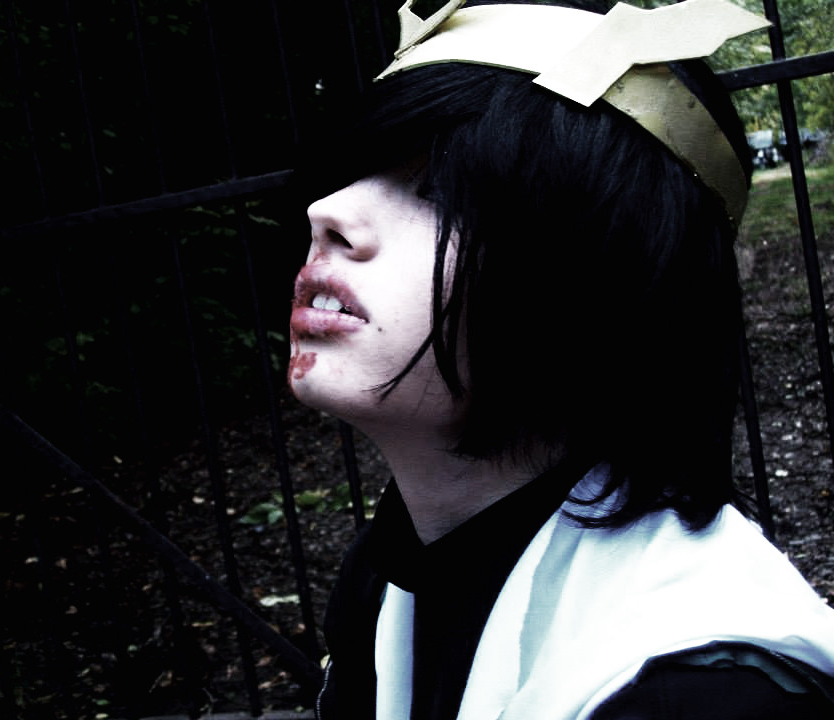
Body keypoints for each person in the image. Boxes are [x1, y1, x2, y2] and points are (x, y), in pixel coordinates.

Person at [286, 0, 834, 717]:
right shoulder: (386, 578)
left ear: (602, 277)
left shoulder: (704, 691)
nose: (327, 210)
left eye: (443, 187)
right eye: (359, 169)